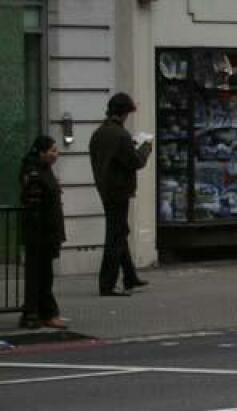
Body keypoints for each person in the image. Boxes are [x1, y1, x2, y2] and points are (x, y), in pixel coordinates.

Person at [89, 92, 152, 297]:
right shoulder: (120, 135)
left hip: (105, 188)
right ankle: (107, 284)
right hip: (119, 189)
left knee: (120, 231)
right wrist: (145, 148)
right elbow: (135, 162)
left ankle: (129, 276)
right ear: (124, 113)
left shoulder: (99, 133)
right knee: (115, 237)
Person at [19, 135, 67, 330]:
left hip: (47, 230)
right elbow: (34, 202)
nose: (56, 154)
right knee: (40, 274)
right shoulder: (34, 173)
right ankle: (39, 313)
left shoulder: (43, 170)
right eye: (52, 151)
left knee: (43, 274)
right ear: (41, 152)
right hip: (40, 231)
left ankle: (39, 312)